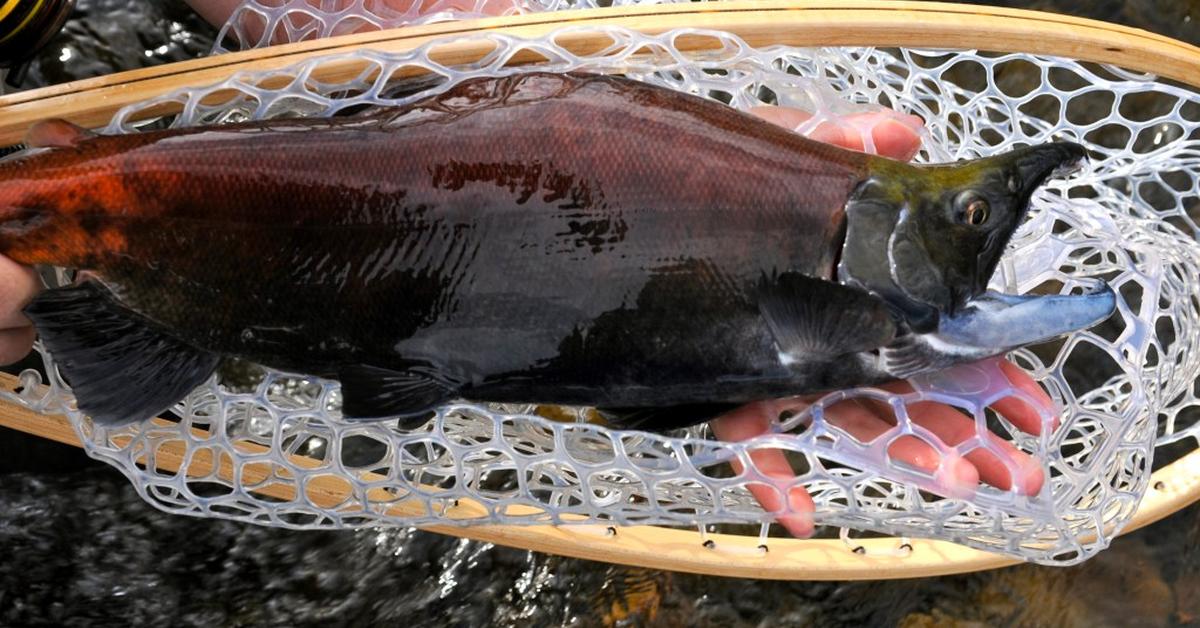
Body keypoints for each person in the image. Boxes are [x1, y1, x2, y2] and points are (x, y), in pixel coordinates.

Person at [0, 0, 1054, 539]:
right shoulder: (844, 304)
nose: (978, 226)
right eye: (966, 216)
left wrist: (400, 34)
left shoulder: (837, 272)